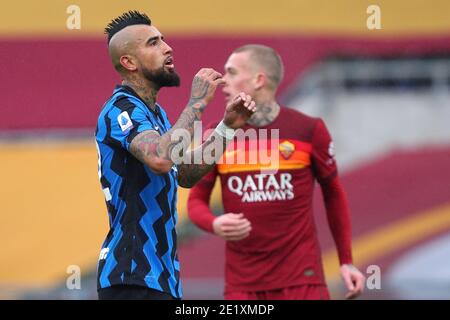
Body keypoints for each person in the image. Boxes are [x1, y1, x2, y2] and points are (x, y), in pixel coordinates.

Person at [95, 11, 256, 300]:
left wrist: (227, 127)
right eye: (153, 43)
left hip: (161, 278)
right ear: (129, 62)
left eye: (164, 40)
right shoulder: (121, 109)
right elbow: (160, 159)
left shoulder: (156, 116)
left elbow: (182, 173)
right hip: (132, 275)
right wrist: (196, 103)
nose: (168, 48)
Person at [187, 44, 365, 300]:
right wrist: (214, 223)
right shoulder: (219, 134)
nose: (223, 80)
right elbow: (196, 201)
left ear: (259, 79)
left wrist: (346, 261)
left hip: (302, 282)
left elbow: (334, 194)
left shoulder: (308, 130)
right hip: (243, 287)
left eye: (232, 72)